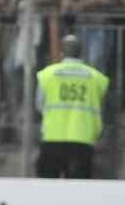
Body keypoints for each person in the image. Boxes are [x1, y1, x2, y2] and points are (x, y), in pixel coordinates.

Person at [36, 34, 109, 179]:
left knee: (47, 188)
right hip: (83, 139)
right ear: (82, 53)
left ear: (61, 53)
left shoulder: (47, 75)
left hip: (53, 137)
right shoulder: (97, 78)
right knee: (79, 190)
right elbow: (101, 107)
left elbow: (39, 105)